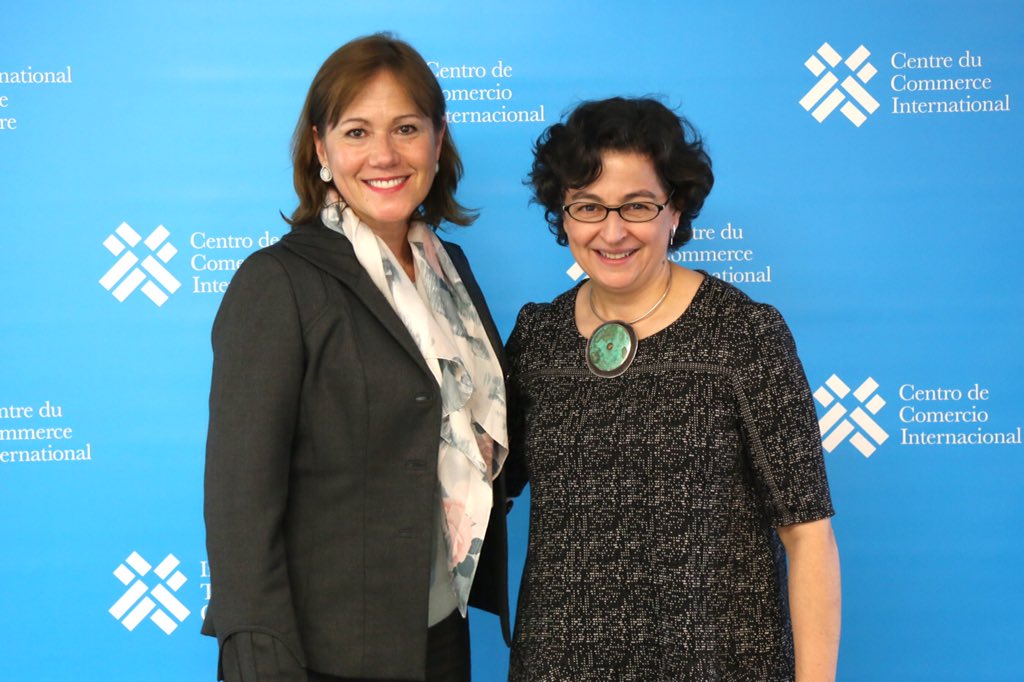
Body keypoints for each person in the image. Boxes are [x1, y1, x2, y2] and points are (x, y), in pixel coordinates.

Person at [202, 33, 512, 682]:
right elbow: (240, 505)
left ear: (437, 140)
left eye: (406, 128)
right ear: (321, 148)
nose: (384, 155)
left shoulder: (448, 270)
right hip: (323, 652)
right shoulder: (277, 283)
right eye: (357, 132)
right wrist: (260, 657)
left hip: (438, 631)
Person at [504, 97, 841, 681]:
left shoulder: (744, 334)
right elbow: (481, 483)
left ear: (675, 209)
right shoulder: (539, 336)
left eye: (637, 206)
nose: (612, 231)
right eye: (588, 206)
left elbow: (808, 534)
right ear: (564, 214)